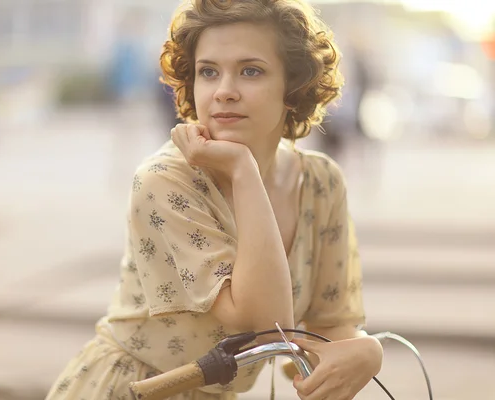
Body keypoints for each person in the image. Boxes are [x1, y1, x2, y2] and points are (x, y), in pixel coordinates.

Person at [45, 1, 383, 399]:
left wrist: (368, 352)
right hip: (135, 388)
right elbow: (267, 321)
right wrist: (244, 172)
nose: (224, 91)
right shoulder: (164, 182)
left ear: (293, 88)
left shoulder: (321, 183)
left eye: (250, 71)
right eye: (209, 72)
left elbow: (330, 324)